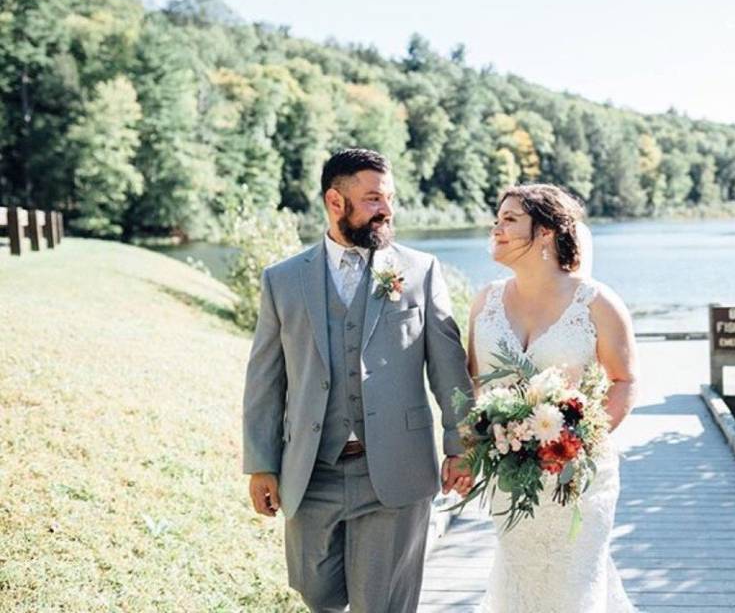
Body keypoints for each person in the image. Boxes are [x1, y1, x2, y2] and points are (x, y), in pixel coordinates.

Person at [242, 148, 474, 613]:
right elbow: (265, 381)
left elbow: (449, 369)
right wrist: (261, 462)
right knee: (315, 593)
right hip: (311, 473)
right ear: (335, 201)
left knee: (382, 606)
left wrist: (461, 444)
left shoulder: (421, 272)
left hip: (394, 471)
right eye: (372, 199)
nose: (385, 209)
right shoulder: (282, 280)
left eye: (388, 198)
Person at [468, 184, 639, 612]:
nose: (497, 229)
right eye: (497, 219)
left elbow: (624, 381)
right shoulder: (485, 301)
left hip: (577, 478)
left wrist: (576, 442)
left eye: (510, 220)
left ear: (545, 233)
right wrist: (475, 441)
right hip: (511, 474)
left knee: (574, 587)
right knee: (517, 582)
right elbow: (473, 382)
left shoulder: (597, 302)